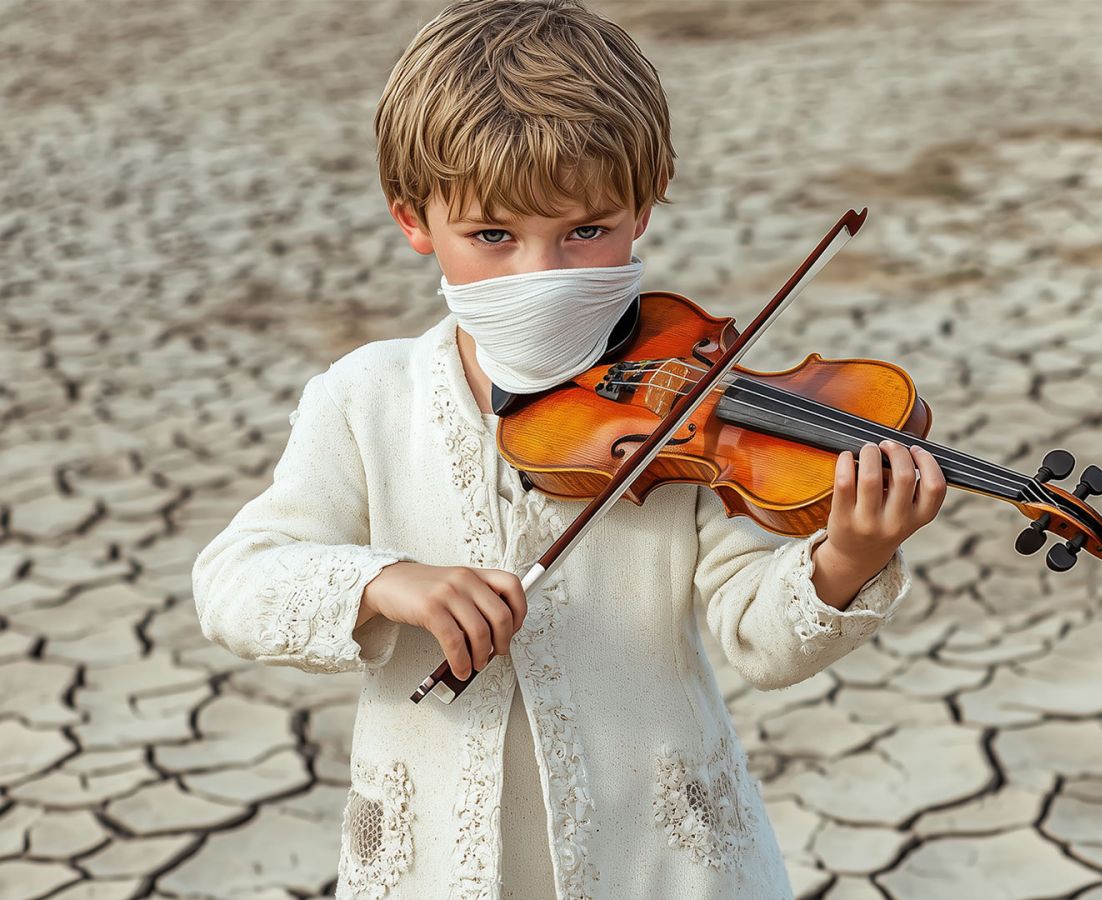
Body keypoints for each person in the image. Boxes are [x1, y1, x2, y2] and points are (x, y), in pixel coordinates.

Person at [190, 1, 946, 897]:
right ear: (413, 218)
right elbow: (234, 581)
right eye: (493, 236)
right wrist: (385, 581)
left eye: (585, 231)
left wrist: (849, 555)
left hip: (660, 863)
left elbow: (761, 639)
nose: (540, 275)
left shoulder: (695, 402)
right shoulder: (367, 398)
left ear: (644, 208)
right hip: (437, 866)